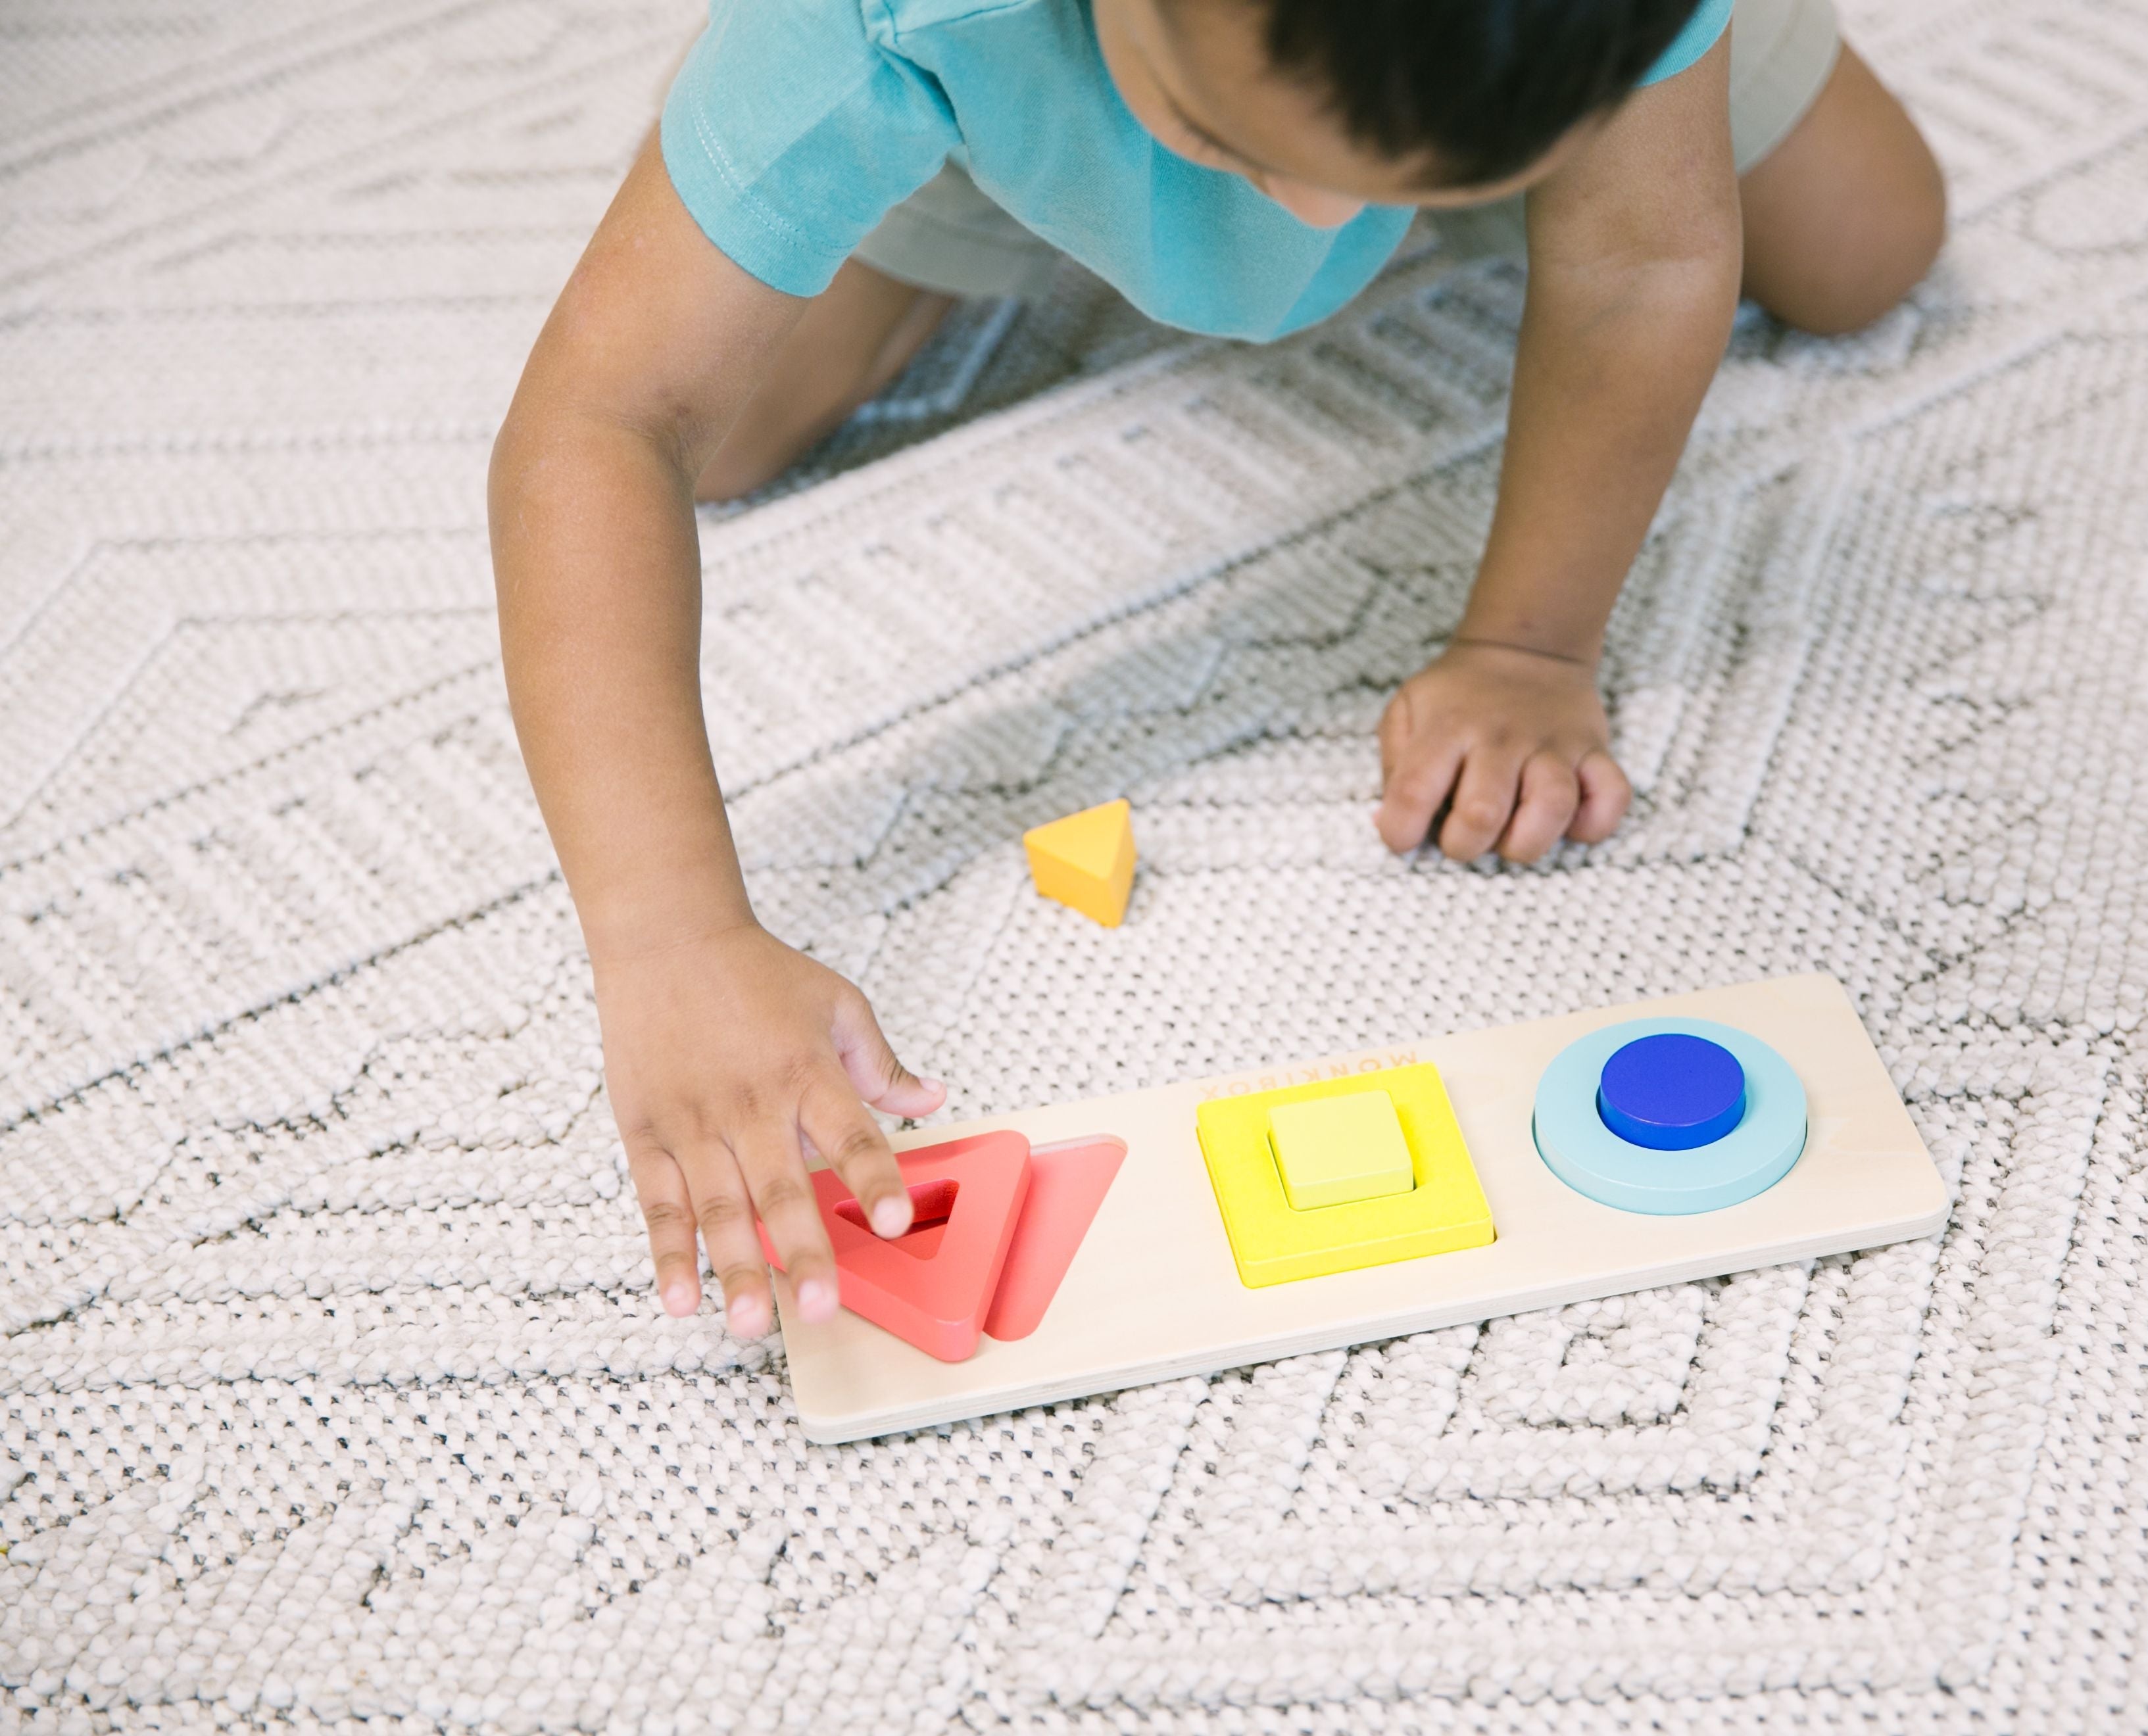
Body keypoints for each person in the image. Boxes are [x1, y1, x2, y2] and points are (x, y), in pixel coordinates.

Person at [488, 0, 1945, 1339]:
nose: (1318, 217)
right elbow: (601, 420)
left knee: (1874, 245)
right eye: (1227, 141)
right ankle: (959, 143)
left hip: (1497, 68)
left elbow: (1641, 269)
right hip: (1000, 71)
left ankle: (1397, 143)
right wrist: (670, 938)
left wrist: (1528, 643)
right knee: (723, 417)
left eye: (1374, 184)